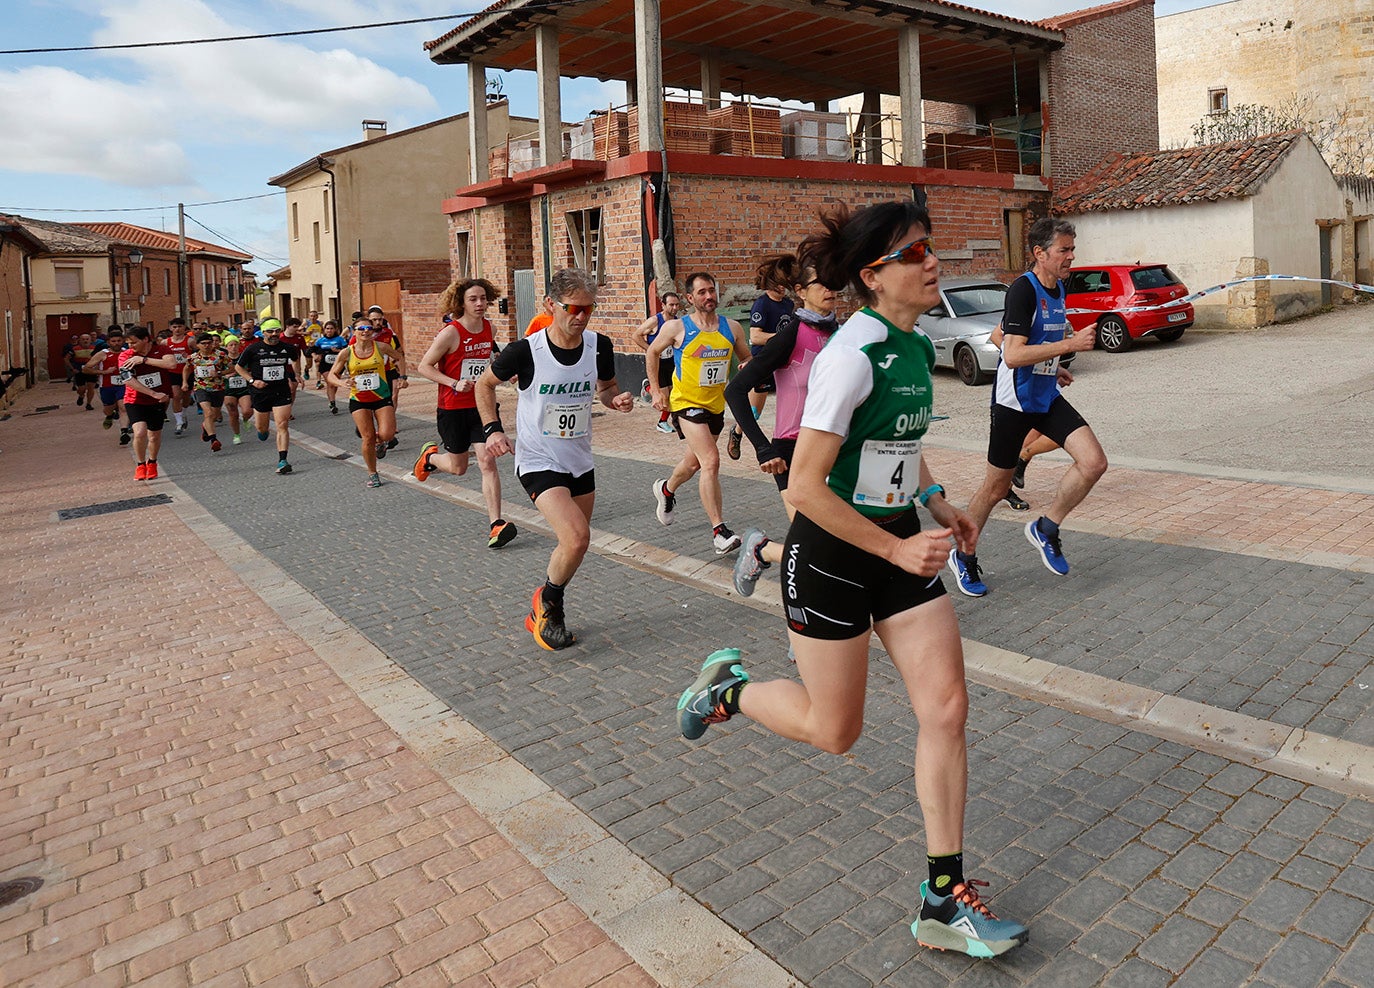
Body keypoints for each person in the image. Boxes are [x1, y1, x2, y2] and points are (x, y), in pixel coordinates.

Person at [675, 200, 1029, 959]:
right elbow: (803, 489)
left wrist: (937, 505)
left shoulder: (906, 342)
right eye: (916, 253)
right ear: (874, 274)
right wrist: (897, 551)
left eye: (930, 249)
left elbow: (898, 443)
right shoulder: (850, 355)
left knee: (947, 708)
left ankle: (942, 898)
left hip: (900, 544)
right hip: (833, 557)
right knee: (836, 732)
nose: (933, 262)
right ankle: (725, 691)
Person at [475, 267, 634, 650]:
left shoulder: (600, 346)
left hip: (579, 459)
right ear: (551, 304)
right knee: (578, 537)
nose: (580, 316)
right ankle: (551, 605)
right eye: (572, 308)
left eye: (588, 309)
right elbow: (484, 384)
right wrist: (492, 429)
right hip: (537, 459)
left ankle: (544, 599)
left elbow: (606, 388)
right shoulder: (526, 350)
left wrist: (616, 400)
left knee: (573, 546)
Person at [947, 217, 1104, 596]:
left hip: (1045, 396)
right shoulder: (1024, 290)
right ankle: (963, 556)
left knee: (1094, 462)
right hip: (1013, 403)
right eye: (1064, 249)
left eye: (1072, 248)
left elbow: (999, 334)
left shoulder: (1058, 288)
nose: (1071, 256)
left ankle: (1046, 527)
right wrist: (1068, 347)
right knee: (996, 488)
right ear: (1040, 253)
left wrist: (1053, 368)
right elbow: (1012, 353)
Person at [724, 257, 839, 596]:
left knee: (836, 544)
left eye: (834, 280)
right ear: (800, 291)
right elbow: (735, 389)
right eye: (821, 282)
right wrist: (762, 447)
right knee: (816, 546)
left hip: (837, 448)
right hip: (793, 452)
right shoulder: (791, 336)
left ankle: (764, 552)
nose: (830, 288)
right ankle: (762, 551)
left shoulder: (842, 334)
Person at [644, 272, 753, 554]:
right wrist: (656, 391)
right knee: (711, 461)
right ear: (690, 299)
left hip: (715, 405)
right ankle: (719, 532)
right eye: (702, 292)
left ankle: (666, 489)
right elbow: (652, 352)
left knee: (693, 465)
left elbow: (747, 358)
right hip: (685, 403)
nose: (709, 296)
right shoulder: (677, 328)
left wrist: (748, 367)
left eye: (712, 291)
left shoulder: (731, 328)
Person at [413, 277, 517, 549]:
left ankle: (496, 524)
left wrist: (509, 372)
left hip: (482, 405)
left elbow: (491, 358)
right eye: (473, 299)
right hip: (453, 408)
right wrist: (453, 382)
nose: (480, 303)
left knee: (487, 461)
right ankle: (431, 458)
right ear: (461, 303)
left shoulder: (489, 328)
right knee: (458, 468)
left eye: (483, 298)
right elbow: (423, 366)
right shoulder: (451, 332)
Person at [727, 256, 797, 460]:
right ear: (771, 283)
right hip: (765, 362)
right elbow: (756, 336)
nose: (783, 288)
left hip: (784, 362)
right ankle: (737, 432)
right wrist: (782, 339)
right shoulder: (762, 305)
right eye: (780, 285)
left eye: (786, 285)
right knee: (754, 412)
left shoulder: (789, 304)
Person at [327, 319, 406, 488]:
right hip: (359, 399)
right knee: (368, 438)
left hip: (381, 396)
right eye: (361, 328)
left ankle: (382, 443)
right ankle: (373, 473)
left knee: (387, 434)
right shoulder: (347, 353)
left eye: (368, 328)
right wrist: (343, 383)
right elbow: (332, 375)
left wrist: (402, 377)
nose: (365, 331)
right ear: (353, 331)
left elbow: (399, 357)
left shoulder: (381, 347)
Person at [235, 318, 300, 475]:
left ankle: (283, 460)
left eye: (277, 331)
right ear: (263, 333)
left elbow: (295, 360)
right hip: (261, 392)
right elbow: (238, 367)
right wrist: (252, 381)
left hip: (281, 390)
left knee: (282, 424)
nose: (274, 334)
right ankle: (262, 430)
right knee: (262, 428)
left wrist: (296, 375)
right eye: (270, 331)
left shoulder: (287, 348)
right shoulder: (253, 349)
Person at [118, 327, 181, 480]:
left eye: (134, 342)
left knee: (154, 435)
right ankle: (140, 465)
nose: (130, 346)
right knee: (139, 432)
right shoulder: (126, 355)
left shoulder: (162, 349)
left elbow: (171, 365)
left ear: (145, 339)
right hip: (135, 399)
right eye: (128, 343)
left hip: (158, 400)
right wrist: (152, 393)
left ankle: (152, 462)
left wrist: (144, 360)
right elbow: (128, 380)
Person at [631, 291, 682, 434]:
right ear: (663, 305)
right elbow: (636, 335)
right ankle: (648, 388)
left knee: (674, 394)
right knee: (665, 397)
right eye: (671, 305)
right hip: (658, 363)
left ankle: (665, 421)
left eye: (677, 305)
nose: (674, 308)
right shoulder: (655, 321)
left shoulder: (677, 322)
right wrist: (651, 350)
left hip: (671, 361)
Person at [80, 328, 131, 445]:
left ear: (123, 341)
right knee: (108, 409)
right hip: (107, 386)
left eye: (119, 340)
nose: (116, 343)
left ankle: (124, 432)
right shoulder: (103, 354)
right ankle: (110, 415)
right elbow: (86, 368)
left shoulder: (127, 352)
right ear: (108, 342)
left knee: (123, 407)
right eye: (113, 341)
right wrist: (104, 372)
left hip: (123, 385)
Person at [185, 332, 233, 452]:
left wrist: (220, 373)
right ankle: (214, 440)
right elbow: (186, 368)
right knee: (208, 412)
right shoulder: (193, 357)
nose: (207, 346)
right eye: (203, 344)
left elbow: (232, 368)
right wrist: (184, 382)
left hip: (218, 388)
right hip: (201, 388)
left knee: (214, 415)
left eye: (209, 343)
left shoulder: (220, 355)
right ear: (197, 345)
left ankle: (206, 427)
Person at [162, 318, 194, 435]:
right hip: (172, 372)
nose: (177, 329)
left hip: (188, 372)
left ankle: (183, 414)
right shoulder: (165, 342)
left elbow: (198, 354)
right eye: (174, 327)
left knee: (186, 397)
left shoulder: (190, 341)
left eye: (180, 326)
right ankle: (179, 422)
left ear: (184, 327)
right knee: (176, 395)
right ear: (170, 328)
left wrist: (189, 356)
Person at [310, 320, 349, 411]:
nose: (329, 331)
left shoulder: (340, 339)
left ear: (335, 330)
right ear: (324, 330)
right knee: (330, 383)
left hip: (337, 364)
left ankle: (332, 399)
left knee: (334, 384)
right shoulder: (320, 340)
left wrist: (338, 351)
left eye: (331, 329)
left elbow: (348, 351)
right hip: (325, 364)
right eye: (327, 329)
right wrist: (315, 356)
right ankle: (332, 403)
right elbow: (312, 350)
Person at [222, 336, 252, 444]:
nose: (233, 347)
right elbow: (216, 374)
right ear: (226, 347)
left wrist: (248, 375)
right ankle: (236, 435)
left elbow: (252, 369)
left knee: (247, 411)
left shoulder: (244, 357)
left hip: (244, 388)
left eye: (236, 344)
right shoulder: (222, 359)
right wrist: (224, 376)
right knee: (233, 413)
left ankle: (245, 419)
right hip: (229, 389)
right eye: (231, 345)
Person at [71, 333, 98, 410]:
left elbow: (99, 359)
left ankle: (89, 404)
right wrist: (73, 368)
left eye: (87, 339)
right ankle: (81, 396)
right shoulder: (74, 349)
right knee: (81, 389)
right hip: (80, 371)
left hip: (91, 371)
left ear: (90, 340)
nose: (85, 341)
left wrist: (97, 367)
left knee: (91, 388)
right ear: (80, 340)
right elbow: (68, 359)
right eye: (83, 339)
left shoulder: (95, 348)